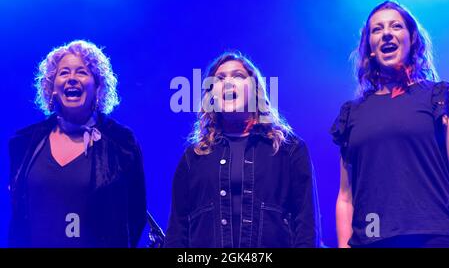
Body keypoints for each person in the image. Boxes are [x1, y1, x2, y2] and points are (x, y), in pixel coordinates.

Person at [165, 51, 320, 248]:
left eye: (237, 76)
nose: (227, 82)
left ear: (256, 90)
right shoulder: (193, 158)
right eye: (219, 79)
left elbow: (306, 224)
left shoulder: (288, 150)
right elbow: (177, 231)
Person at [332, 0, 449, 248]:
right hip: (371, 240)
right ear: (370, 48)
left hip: (433, 236)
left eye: (396, 26)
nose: (386, 33)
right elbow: (345, 195)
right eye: (377, 29)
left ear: (411, 40)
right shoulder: (352, 113)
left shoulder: (438, 98)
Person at [8, 40, 147, 247]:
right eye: (64, 73)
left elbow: (135, 215)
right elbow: (18, 216)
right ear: (51, 87)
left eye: (81, 72)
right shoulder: (25, 143)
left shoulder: (121, 143)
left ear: (97, 87)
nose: (72, 79)